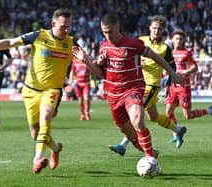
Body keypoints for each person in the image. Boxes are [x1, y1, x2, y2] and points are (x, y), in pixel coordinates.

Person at [0, 8, 74, 174]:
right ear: (53, 24)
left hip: (52, 90)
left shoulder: (71, 43)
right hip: (30, 90)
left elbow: (87, 60)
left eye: (68, 27)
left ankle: (37, 158)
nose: (66, 30)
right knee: (35, 133)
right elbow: (9, 43)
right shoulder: (39, 36)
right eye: (63, 27)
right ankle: (56, 147)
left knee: (46, 118)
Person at [73, 13, 184, 159]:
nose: (107, 35)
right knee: (133, 135)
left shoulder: (133, 44)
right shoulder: (104, 47)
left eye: (110, 31)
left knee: (138, 120)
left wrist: (172, 74)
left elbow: (156, 57)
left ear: (117, 27)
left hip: (133, 89)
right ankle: (151, 154)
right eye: (104, 32)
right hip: (113, 96)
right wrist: (85, 60)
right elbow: (101, 74)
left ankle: (150, 158)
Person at [108, 15, 187, 156]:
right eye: (154, 27)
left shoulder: (165, 48)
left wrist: (169, 84)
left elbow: (172, 66)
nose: (156, 30)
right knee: (153, 116)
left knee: (135, 115)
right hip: (137, 83)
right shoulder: (141, 40)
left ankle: (123, 145)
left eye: (159, 28)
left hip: (151, 85)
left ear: (163, 30)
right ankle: (178, 129)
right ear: (150, 27)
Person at [165, 29, 212, 142]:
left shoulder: (186, 53)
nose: (178, 41)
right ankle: (176, 134)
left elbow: (195, 67)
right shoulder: (169, 52)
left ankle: (209, 111)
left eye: (180, 39)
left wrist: (185, 72)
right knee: (168, 112)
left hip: (183, 86)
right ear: (172, 39)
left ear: (183, 40)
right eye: (176, 38)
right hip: (172, 86)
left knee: (188, 115)